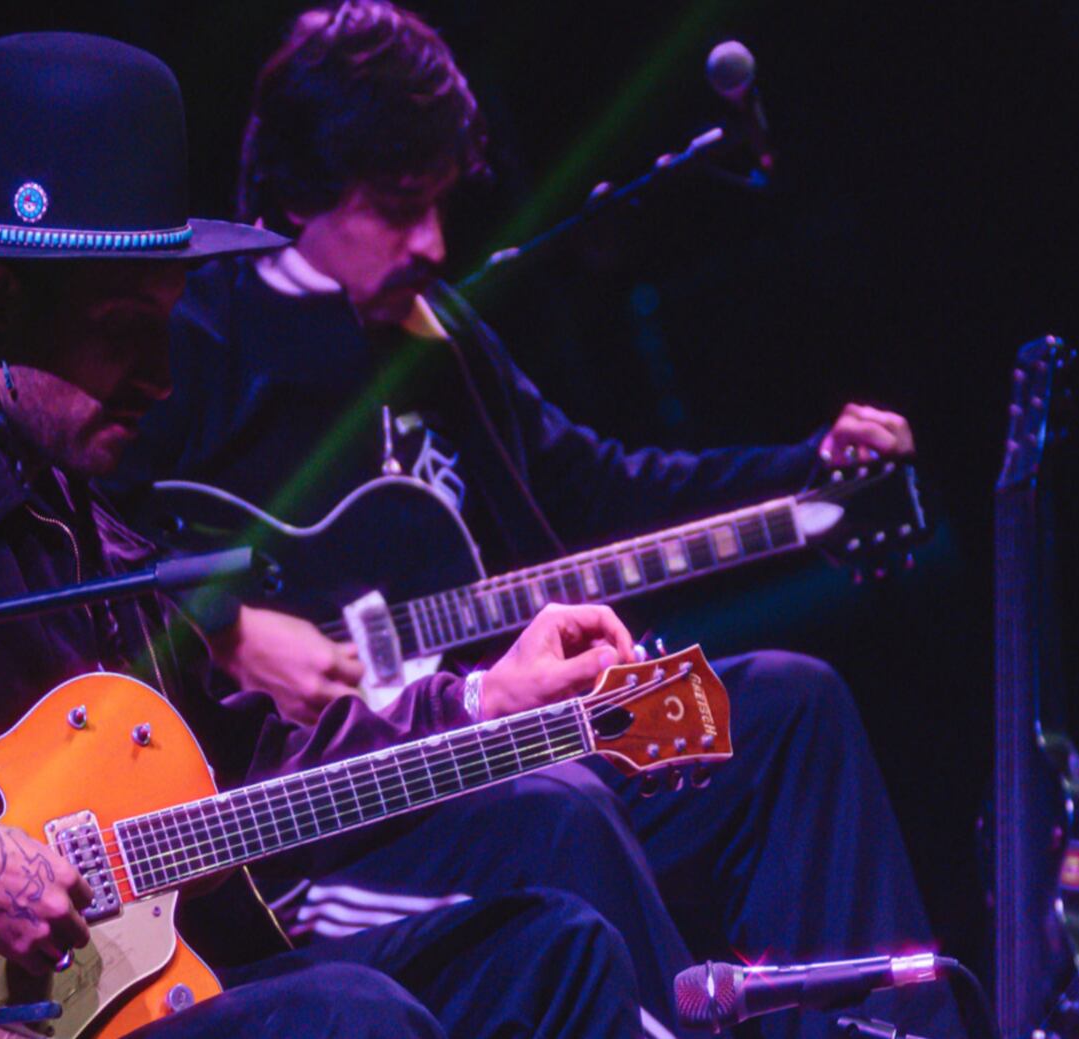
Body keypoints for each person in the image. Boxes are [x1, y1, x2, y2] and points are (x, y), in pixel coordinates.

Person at [0, 32, 647, 1039]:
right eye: (120, 333)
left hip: (127, 986)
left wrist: (478, 702)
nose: (162, 377)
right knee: (348, 1017)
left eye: (168, 325)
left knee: (550, 953)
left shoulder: (77, 509)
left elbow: (241, 748)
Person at [109, 5, 963, 1039]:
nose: (429, 241)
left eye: (437, 204)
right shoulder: (202, 337)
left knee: (785, 703)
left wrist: (807, 481)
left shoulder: (439, 335)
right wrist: (223, 619)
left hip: (506, 732)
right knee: (561, 806)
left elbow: (598, 490)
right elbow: (95, 541)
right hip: (339, 817)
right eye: (393, 207)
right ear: (298, 193)